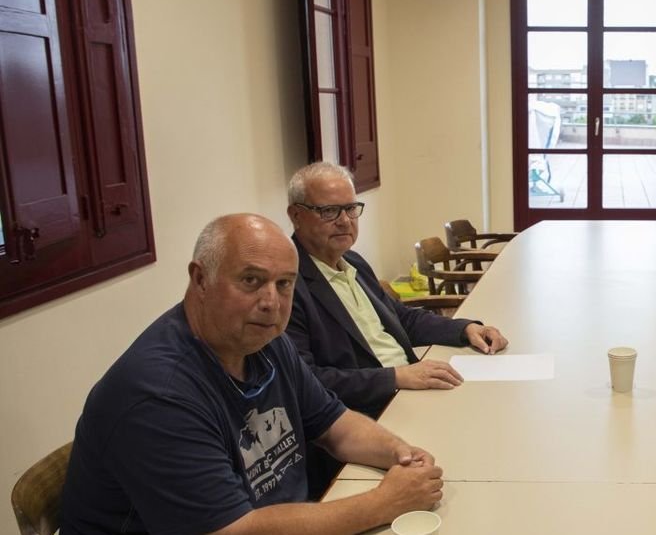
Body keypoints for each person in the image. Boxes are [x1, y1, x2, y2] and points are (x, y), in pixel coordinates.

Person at [60, 214, 444, 534]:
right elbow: (233, 530)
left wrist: (399, 453)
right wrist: (384, 502)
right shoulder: (158, 394)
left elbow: (335, 424)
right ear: (200, 280)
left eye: (284, 284)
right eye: (251, 281)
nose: (271, 303)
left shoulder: (264, 342)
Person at [285, 162, 509, 419]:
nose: (344, 221)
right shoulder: (287, 286)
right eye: (329, 211)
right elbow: (306, 380)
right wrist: (395, 377)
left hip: (410, 388)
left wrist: (466, 329)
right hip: (370, 412)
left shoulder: (353, 261)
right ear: (296, 216)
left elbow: (403, 319)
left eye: (350, 209)